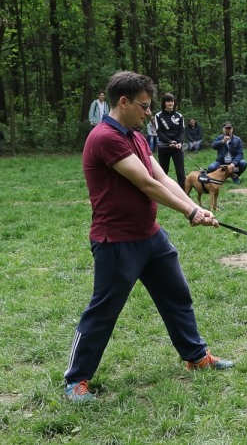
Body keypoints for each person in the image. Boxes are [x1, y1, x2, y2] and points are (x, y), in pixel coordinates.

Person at [63, 71, 233, 403]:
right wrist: (190, 212)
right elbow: (146, 184)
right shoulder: (106, 137)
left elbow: (162, 176)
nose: (148, 113)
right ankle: (76, 380)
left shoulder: (136, 136)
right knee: (104, 310)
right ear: (123, 102)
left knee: (177, 295)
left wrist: (195, 208)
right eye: (143, 106)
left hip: (150, 236)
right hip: (116, 241)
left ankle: (196, 357)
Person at [155, 93, 187, 186]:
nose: (170, 103)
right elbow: (159, 132)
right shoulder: (158, 116)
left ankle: (184, 195)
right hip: (164, 146)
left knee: (181, 173)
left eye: (172, 101)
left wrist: (180, 142)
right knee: (163, 172)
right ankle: (162, 194)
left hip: (177, 147)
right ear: (164, 103)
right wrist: (169, 142)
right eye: (168, 101)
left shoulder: (179, 116)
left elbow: (182, 131)